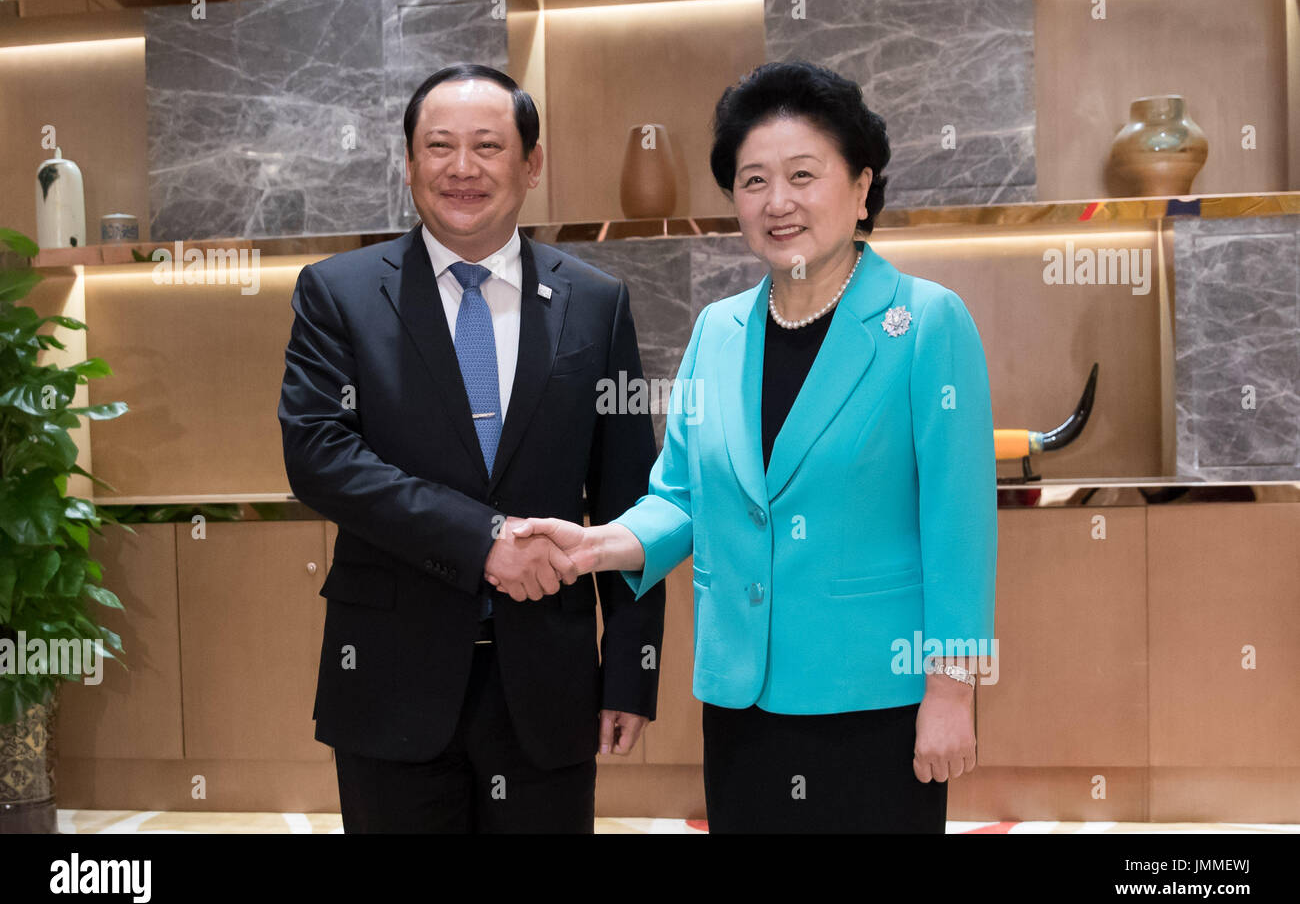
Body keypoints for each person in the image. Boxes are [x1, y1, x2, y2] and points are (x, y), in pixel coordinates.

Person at [512, 60, 997, 832]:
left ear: (862, 185)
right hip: (743, 696)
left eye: (803, 175)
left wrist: (954, 690)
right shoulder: (718, 329)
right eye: (753, 180)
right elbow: (678, 496)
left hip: (876, 697)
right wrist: (597, 545)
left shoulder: (927, 322)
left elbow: (960, 528)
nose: (778, 203)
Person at [277, 64, 665, 833]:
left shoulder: (596, 302)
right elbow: (319, 454)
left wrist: (630, 672)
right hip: (391, 679)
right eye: (439, 146)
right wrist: (483, 541)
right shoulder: (340, 292)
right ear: (410, 161)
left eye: (488, 146)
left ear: (532, 162)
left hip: (546, 684)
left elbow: (629, 500)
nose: (462, 168)